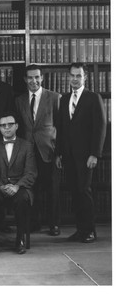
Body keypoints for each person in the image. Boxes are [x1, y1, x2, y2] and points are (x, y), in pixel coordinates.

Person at [56, 63, 106, 244]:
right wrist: (59, 154)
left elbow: (100, 127)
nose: (75, 79)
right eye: (72, 75)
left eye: (79, 75)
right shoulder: (64, 99)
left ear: (85, 77)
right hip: (68, 156)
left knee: (85, 191)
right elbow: (61, 129)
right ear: (68, 77)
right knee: (75, 193)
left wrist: (95, 154)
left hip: (86, 156)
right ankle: (80, 230)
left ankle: (90, 231)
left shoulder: (93, 98)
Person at [15, 65, 61, 236]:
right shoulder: (19, 100)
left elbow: (61, 127)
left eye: (37, 77)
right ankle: (34, 223)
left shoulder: (55, 98)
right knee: (30, 188)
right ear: (25, 80)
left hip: (49, 151)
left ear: (42, 78)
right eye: (30, 78)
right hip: (28, 152)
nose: (33, 81)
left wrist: (59, 153)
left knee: (52, 189)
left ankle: (53, 224)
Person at [0, 112, 37, 254]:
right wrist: (1, 186)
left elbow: (31, 172)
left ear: (17, 126)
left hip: (20, 186)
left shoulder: (27, 146)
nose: (7, 128)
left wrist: (17, 186)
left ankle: (20, 240)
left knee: (22, 199)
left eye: (10, 125)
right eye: (3, 125)